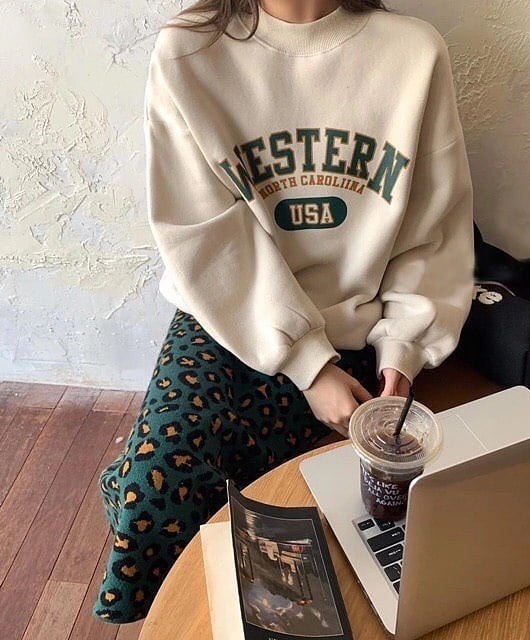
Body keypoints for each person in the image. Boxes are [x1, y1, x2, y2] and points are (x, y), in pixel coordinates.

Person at [93, 0, 475, 623]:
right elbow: (203, 239)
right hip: (228, 315)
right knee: (154, 497)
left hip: (363, 332)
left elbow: (433, 232)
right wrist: (309, 366)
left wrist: (404, 353)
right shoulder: (188, 50)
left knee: (356, 535)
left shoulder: (414, 51)